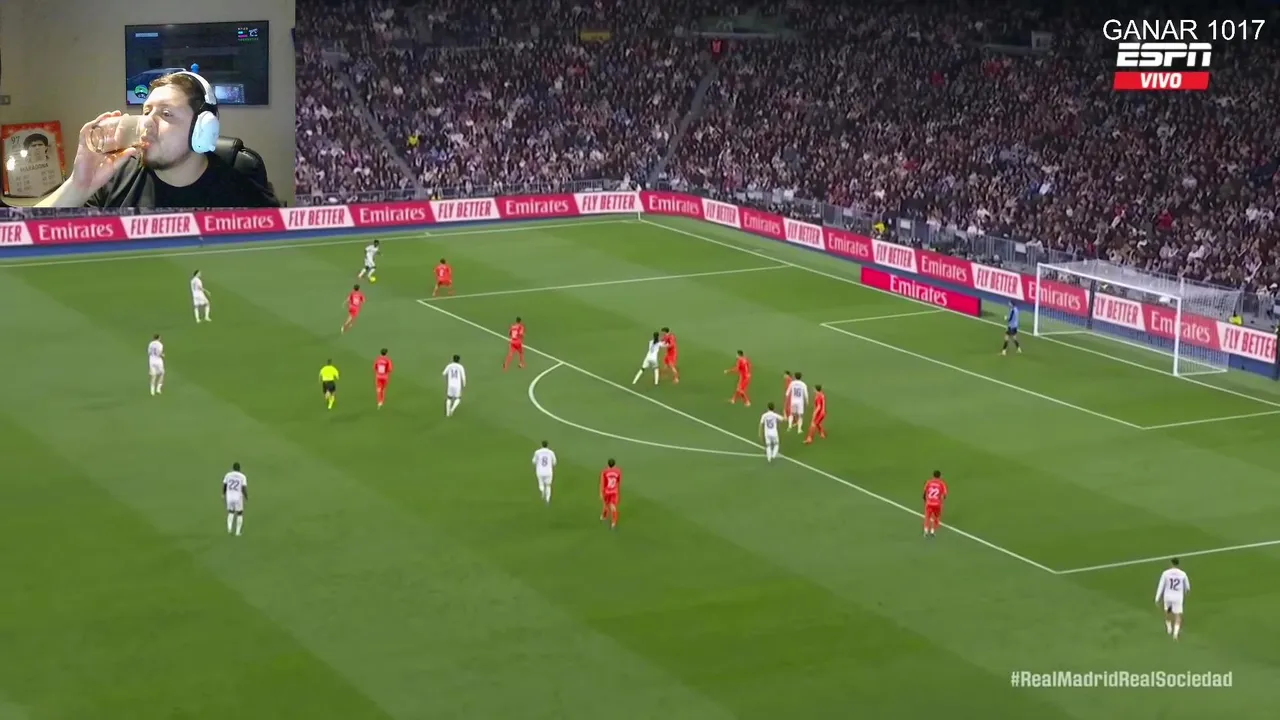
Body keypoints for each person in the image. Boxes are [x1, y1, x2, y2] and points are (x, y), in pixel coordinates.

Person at [36, 71, 278, 208]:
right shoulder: (116, 176)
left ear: (203, 129)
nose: (146, 123)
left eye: (166, 114)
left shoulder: (243, 196)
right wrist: (78, 185)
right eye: (146, 111)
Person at [1155, 558, 1190, 640]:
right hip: (1177, 597)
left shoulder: (1165, 573)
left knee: (1168, 612)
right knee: (1178, 615)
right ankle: (1175, 634)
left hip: (1168, 597)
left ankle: (1169, 628)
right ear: (1178, 564)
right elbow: (1187, 587)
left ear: (1171, 563)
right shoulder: (1183, 574)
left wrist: (1157, 598)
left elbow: (1161, 586)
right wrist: (1186, 592)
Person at [222, 462, 248, 537]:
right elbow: (243, 487)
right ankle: (237, 532)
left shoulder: (228, 475)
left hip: (229, 496)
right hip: (238, 496)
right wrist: (246, 496)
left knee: (231, 512)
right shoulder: (242, 476)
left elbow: (225, 485)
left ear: (233, 468)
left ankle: (229, 528)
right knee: (239, 513)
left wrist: (223, 494)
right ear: (239, 468)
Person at [922, 471, 948, 537]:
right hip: (937, 504)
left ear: (933, 475)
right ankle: (932, 531)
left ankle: (926, 531)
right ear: (940, 476)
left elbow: (924, 492)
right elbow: (945, 494)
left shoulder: (929, 482)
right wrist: (942, 500)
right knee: (936, 517)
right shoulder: (941, 483)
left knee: (927, 517)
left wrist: (925, 499)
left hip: (929, 503)